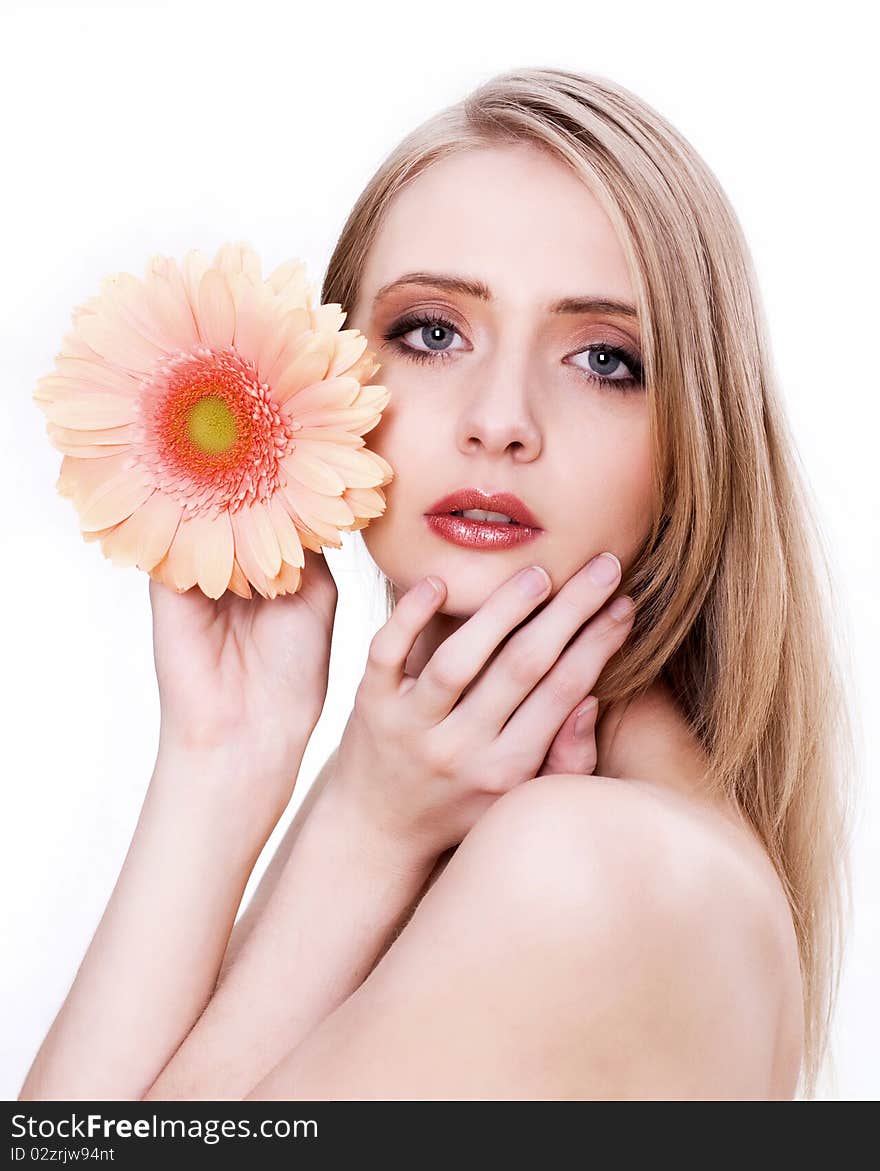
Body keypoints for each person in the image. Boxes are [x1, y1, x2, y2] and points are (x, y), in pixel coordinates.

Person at [19, 67, 855, 1102]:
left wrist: (360, 838)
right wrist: (224, 755)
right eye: (431, 333)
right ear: (329, 382)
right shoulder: (444, 782)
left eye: (602, 358)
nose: (498, 416)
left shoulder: (591, 863)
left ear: (696, 440)